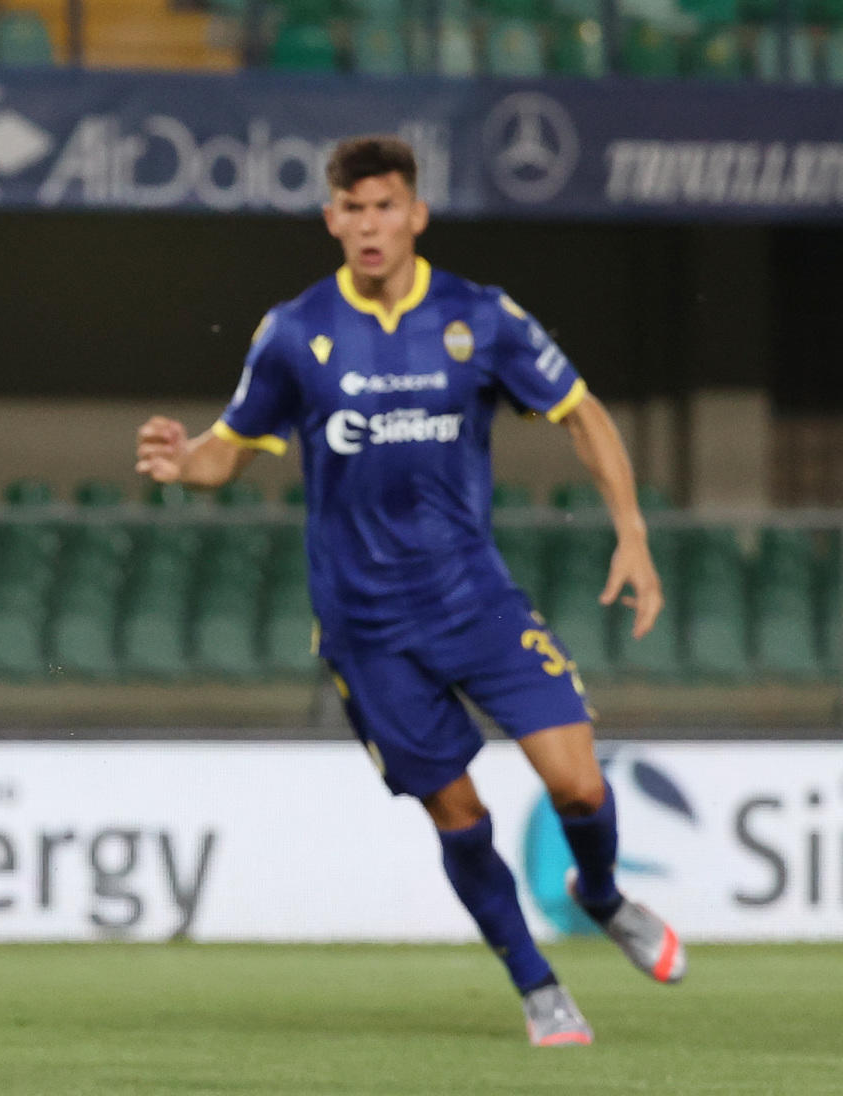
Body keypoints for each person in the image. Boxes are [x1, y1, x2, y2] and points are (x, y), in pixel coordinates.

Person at [134, 134, 682, 1046]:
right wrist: (187, 460)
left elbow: (579, 412)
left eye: (386, 206)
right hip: (367, 631)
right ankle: (537, 985)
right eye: (352, 209)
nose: (370, 225)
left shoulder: (480, 317)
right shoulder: (295, 332)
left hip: (478, 601)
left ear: (417, 214)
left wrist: (631, 529)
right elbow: (229, 448)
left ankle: (601, 893)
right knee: (460, 814)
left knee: (579, 784)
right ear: (331, 220)